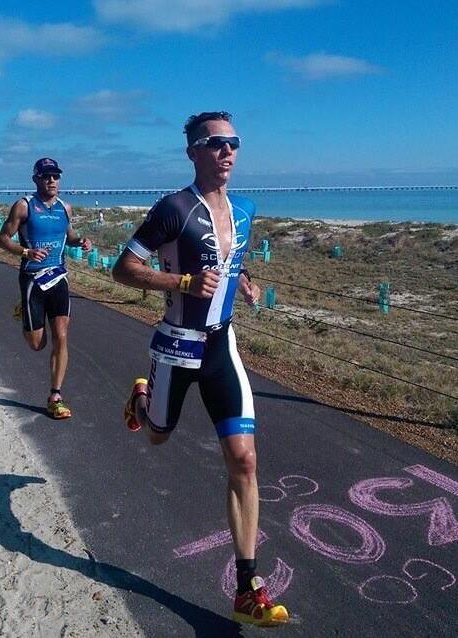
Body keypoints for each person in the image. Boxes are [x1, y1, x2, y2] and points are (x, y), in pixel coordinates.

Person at [112, 112, 289, 626]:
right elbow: (124, 269)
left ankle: (246, 585)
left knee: (245, 460)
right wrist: (181, 284)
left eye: (234, 143)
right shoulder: (172, 208)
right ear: (192, 151)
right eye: (216, 144)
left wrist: (246, 282)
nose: (227, 152)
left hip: (220, 348)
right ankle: (142, 398)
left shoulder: (246, 209)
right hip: (176, 347)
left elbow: (230, 259)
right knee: (158, 437)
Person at [0, 158, 91, 419]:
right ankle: (25, 314)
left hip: (59, 278)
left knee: (61, 334)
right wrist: (26, 251)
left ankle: (56, 395)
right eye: (46, 176)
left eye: (56, 176)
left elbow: (69, 236)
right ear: (36, 179)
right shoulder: (24, 206)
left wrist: (81, 241)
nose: (52, 180)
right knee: (38, 344)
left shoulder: (65, 208)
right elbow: (2, 239)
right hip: (32, 279)